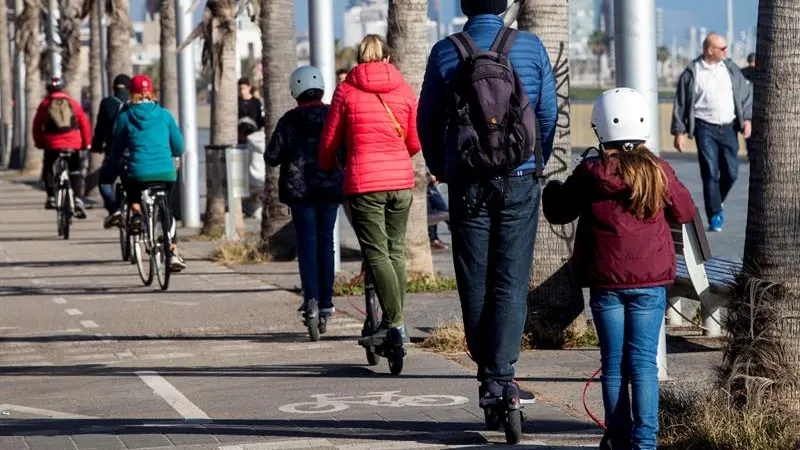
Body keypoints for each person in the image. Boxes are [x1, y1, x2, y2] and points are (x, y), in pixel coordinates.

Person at [418, 0, 557, 405]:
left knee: (474, 277)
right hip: (518, 177)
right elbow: (546, 113)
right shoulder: (529, 46)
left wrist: (439, 167)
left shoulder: (446, 50)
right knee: (511, 278)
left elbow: (427, 119)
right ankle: (503, 376)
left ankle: (488, 377)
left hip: (466, 179)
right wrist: (535, 161)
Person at [543, 88, 696, 450]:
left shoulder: (591, 172)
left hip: (606, 284)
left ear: (599, 127)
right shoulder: (658, 169)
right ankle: (646, 444)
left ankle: (619, 440)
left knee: (613, 365)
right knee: (644, 365)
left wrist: (551, 188)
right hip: (651, 282)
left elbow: (559, 211)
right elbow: (685, 212)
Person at [319, 34, 421, 346]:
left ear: (359, 59)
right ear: (388, 59)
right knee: (395, 251)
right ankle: (396, 320)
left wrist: (328, 164)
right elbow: (415, 142)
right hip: (401, 183)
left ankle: (395, 323)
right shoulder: (404, 89)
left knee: (377, 253)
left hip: (365, 184)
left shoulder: (346, 91)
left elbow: (329, 141)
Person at [265, 66, 344, 320]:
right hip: (330, 188)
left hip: (299, 193)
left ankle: (310, 297)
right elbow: (343, 149)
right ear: (321, 88)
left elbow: (272, 157)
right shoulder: (332, 114)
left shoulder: (288, 121)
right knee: (326, 243)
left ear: (294, 91)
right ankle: (327, 301)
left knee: (307, 243)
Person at [671, 33, 752, 232]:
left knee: (731, 172)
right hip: (704, 127)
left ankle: (718, 200)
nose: (726, 51)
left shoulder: (731, 68)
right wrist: (679, 132)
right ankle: (714, 214)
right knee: (710, 173)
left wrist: (747, 120)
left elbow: (745, 95)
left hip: (728, 126)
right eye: (722, 48)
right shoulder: (692, 72)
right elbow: (680, 103)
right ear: (710, 50)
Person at [108, 75, 187, 271]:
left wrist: (114, 159)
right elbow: (178, 146)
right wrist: (173, 153)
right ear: (151, 92)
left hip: (139, 172)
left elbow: (116, 150)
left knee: (131, 185)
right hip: (166, 172)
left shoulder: (125, 117)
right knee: (167, 210)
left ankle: (136, 213)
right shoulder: (165, 115)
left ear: (131, 93)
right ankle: (173, 251)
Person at [33, 77, 92, 217]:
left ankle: (51, 197)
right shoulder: (72, 103)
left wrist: (39, 143)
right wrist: (86, 143)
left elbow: (36, 126)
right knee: (75, 170)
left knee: (48, 167)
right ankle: (77, 199)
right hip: (73, 142)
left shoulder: (45, 104)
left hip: (51, 143)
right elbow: (84, 123)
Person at [92, 74, 131, 228]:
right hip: (135, 153)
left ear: (114, 87)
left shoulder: (107, 103)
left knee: (105, 182)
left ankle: (114, 210)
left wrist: (96, 146)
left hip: (114, 153)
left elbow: (100, 129)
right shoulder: (136, 104)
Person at [426, 170, 449, 250]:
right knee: (436, 211)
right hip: (427, 182)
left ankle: (433, 239)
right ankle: (433, 239)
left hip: (429, 182)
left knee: (439, 210)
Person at [238, 77, 264, 144]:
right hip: (239, 139)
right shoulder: (236, 102)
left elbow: (260, 121)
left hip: (254, 139)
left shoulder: (256, 102)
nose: (242, 91)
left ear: (249, 87)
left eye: (244, 88)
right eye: (240, 89)